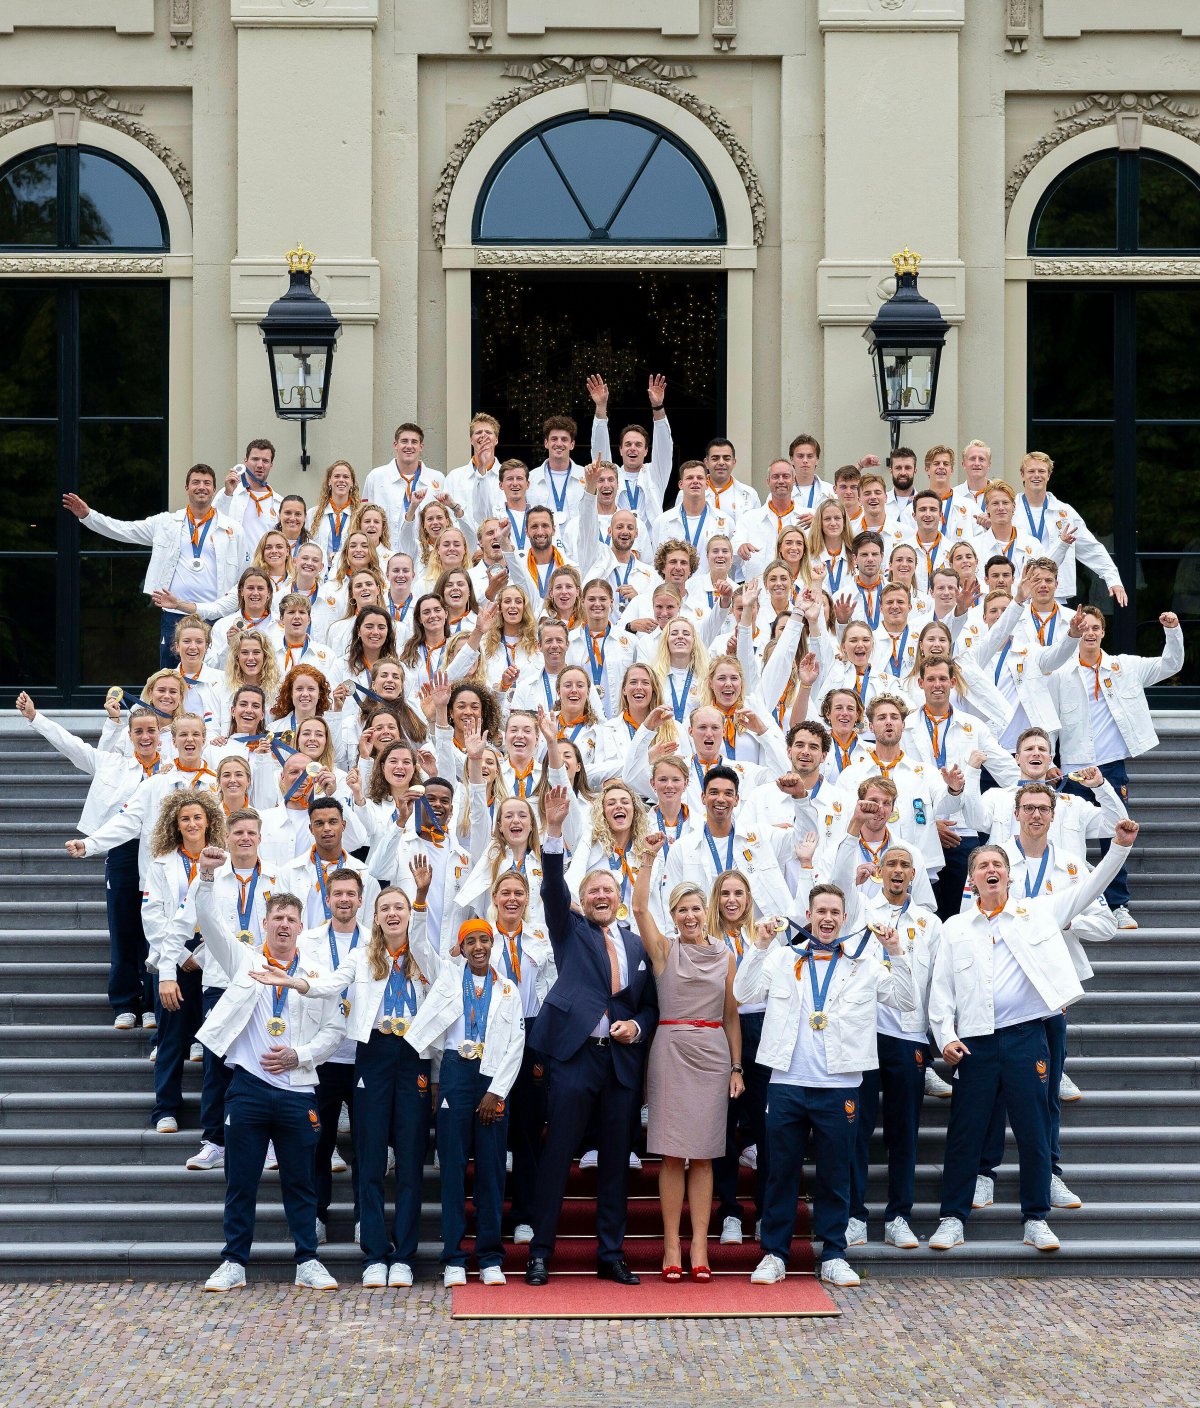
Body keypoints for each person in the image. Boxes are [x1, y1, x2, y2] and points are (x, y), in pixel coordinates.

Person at [926, 820, 1138, 1254]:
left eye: (997, 865)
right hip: (976, 1044)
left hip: (1026, 1038)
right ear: (971, 879)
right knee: (966, 1132)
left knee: (1034, 1129)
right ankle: (952, 1218)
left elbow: (1090, 884)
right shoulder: (954, 928)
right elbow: (942, 989)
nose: (990, 871)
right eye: (982, 865)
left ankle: (1036, 1218)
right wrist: (944, 1036)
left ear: (1008, 875)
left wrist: (1118, 847)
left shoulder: (1037, 912)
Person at [733, 885, 913, 1288]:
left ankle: (833, 1253)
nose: (828, 919)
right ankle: (776, 1254)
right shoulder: (781, 958)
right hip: (786, 1083)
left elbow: (906, 1001)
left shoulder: (863, 963)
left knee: (836, 1173)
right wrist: (759, 945)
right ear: (809, 915)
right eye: (821, 911)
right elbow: (742, 993)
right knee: (780, 1171)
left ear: (844, 917)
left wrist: (896, 952)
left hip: (840, 1085)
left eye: (835, 911)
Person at [524, 786, 659, 1287]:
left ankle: (611, 1253)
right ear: (583, 901)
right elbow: (552, 889)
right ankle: (540, 1252)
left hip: (621, 1066)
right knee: (557, 1155)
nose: (601, 897)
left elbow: (648, 1003)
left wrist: (638, 1026)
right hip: (574, 1058)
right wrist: (554, 831)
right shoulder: (569, 929)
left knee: (616, 1167)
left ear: (619, 898)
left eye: (608, 891)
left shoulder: (635, 942)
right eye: (592, 892)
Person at [192, 847, 342, 1292]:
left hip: (297, 1091)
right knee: (241, 1181)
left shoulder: (316, 972)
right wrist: (205, 878)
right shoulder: (245, 961)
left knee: (301, 1181)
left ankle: (308, 1261)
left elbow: (335, 1028)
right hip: (249, 1089)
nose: (282, 925)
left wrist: (302, 1056)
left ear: (301, 927)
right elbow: (213, 926)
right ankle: (234, 1262)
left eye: (290, 919)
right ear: (265, 924)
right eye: (276, 918)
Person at [631, 839, 742, 1280]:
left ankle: (700, 1246)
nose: (691, 916)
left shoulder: (725, 955)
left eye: (697, 908)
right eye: (682, 910)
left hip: (714, 1052)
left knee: (706, 1154)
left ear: (707, 910)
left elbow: (731, 1017)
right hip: (672, 1050)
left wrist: (737, 1068)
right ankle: (671, 1245)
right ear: (674, 915)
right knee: (674, 1155)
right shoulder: (664, 951)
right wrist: (647, 859)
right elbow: (640, 909)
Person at [16, 692, 160, 1030]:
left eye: (150, 730)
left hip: (159, 854)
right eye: (138, 731)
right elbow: (72, 745)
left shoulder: (171, 769)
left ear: (159, 733)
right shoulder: (112, 763)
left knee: (155, 928)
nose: (144, 737)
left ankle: (152, 1003)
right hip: (122, 851)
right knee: (123, 927)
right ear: (129, 734)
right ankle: (125, 1002)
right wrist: (36, 718)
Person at [406, 917, 525, 1287]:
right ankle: (454, 1256)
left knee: (491, 1170)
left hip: (492, 1076)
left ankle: (490, 1256)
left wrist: (497, 1092)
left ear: (493, 945)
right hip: (457, 1072)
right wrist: (422, 900)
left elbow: (516, 1045)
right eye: (470, 941)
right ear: (461, 947)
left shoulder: (507, 989)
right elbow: (418, 944)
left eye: (484, 940)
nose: (478, 947)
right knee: (453, 1168)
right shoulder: (447, 981)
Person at [1056, 607, 1184, 929]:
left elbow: (1171, 664)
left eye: (1096, 627)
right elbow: (1049, 720)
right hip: (1072, 766)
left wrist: (1173, 631)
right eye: (1084, 627)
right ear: (1077, 631)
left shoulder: (1124, 666)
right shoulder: (1061, 674)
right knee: (1064, 835)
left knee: (1115, 834)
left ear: (1102, 632)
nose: (1090, 632)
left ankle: (1118, 905)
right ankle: (1065, 902)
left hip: (1110, 766)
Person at [62, 464, 247, 668]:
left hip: (216, 617)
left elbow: (242, 577)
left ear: (214, 490)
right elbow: (125, 530)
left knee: (216, 678)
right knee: (170, 678)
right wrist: (88, 516)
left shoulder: (232, 529)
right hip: (175, 615)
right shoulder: (165, 523)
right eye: (195, 482)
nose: (201, 487)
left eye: (206, 483)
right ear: (186, 487)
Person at [219, 440, 282, 551]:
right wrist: (227, 494)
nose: (260, 465)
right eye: (255, 459)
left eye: (265, 461)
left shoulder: (279, 503)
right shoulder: (229, 493)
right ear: (245, 462)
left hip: (266, 567)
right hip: (237, 565)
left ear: (271, 465)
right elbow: (214, 522)